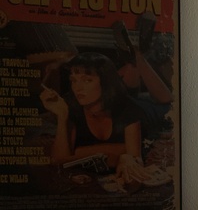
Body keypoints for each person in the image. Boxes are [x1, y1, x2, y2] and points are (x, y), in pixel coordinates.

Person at [39, 52, 149, 184]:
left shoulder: (128, 108)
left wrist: (79, 153)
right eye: (74, 80)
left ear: (105, 82)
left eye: (87, 80)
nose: (77, 88)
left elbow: (135, 161)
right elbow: (59, 162)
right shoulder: (71, 107)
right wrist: (62, 116)